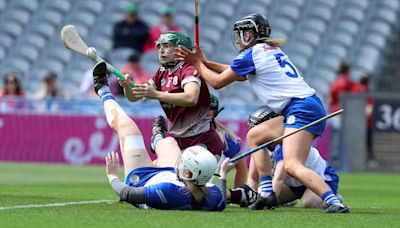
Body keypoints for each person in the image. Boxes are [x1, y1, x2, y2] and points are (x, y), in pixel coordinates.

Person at [176, 13, 349, 213]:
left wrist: (198, 64)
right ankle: (267, 193)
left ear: (249, 35)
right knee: (255, 135)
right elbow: (238, 75)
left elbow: (217, 82)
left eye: (240, 34)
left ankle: (334, 201)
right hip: (305, 104)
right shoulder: (268, 50)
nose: (238, 39)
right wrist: (205, 62)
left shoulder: (251, 54)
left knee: (292, 164)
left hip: (301, 107)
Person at [92, 61, 229, 210]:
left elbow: (127, 193)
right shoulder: (213, 196)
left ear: (188, 173)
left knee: (127, 128)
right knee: (169, 142)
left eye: (183, 163)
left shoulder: (169, 192)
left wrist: (112, 176)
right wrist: (222, 176)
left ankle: (102, 89)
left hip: (142, 178)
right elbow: (220, 198)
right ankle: (157, 136)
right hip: (172, 176)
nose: (180, 162)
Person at [119, 31, 225, 157]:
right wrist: (126, 86)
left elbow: (191, 98)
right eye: (159, 46)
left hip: (201, 138)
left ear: (181, 49)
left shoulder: (188, 69)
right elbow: (134, 98)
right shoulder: (162, 72)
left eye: (166, 45)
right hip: (179, 138)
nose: (161, 50)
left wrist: (157, 94)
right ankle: (158, 139)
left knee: (184, 174)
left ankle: (158, 140)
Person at [229, 106, 341, 210]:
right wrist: (251, 199)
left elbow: (279, 179)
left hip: (323, 177)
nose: (254, 131)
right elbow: (253, 178)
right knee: (260, 194)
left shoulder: (285, 144)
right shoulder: (259, 146)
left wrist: (268, 202)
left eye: (256, 127)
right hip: (294, 186)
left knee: (309, 203)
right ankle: (288, 201)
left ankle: (332, 197)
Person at [329, 62, 353, 170]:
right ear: (348, 71)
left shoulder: (335, 83)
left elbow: (331, 100)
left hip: (335, 113)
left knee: (335, 139)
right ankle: (343, 164)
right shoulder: (349, 83)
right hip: (345, 114)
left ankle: (334, 161)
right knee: (343, 141)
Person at [352, 75, 376, 167]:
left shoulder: (366, 93)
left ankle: (368, 160)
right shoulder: (356, 91)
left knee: (368, 143)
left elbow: (369, 109)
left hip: (366, 124)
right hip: (358, 125)